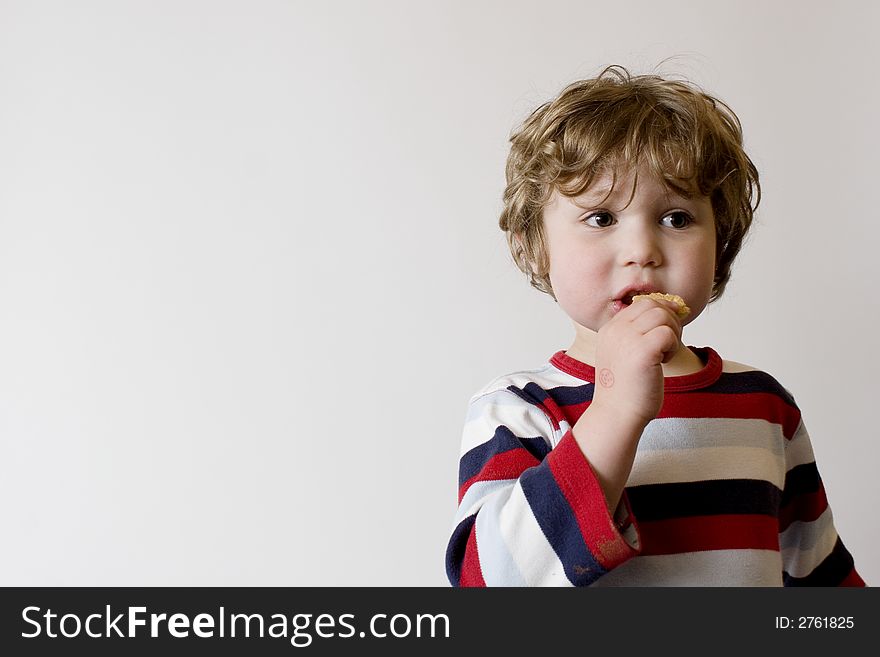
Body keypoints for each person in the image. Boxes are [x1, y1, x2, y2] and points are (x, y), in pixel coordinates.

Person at [445, 65, 864, 586]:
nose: (642, 251)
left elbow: (822, 583)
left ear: (722, 242)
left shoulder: (764, 406)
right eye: (600, 218)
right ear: (537, 244)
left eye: (677, 218)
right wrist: (617, 411)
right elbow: (487, 585)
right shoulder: (519, 408)